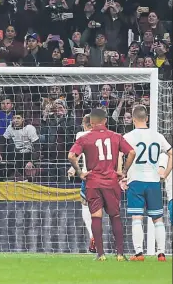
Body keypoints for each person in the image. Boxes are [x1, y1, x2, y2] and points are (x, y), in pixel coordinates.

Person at [68, 108, 135, 261]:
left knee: (96, 216)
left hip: (93, 182)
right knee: (115, 216)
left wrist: (79, 172)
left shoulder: (85, 138)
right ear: (105, 121)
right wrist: (124, 171)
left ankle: (101, 254)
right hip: (111, 181)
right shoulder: (116, 136)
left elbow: (71, 155)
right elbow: (131, 152)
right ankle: (119, 254)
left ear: (91, 122)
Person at [123, 105, 172, 262]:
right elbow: (171, 153)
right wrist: (165, 173)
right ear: (147, 118)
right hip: (154, 182)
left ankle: (139, 253)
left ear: (133, 119)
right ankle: (161, 254)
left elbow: (119, 155)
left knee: (137, 217)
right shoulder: (157, 136)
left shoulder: (128, 136)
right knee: (158, 219)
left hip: (136, 180)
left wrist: (121, 174)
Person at [67, 114, 96, 253]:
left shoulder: (81, 135)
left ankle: (92, 234)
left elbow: (77, 154)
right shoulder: (108, 136)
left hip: (88, 175)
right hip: (106, 176)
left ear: (84, 125)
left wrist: (74, 168)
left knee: (85, 205)